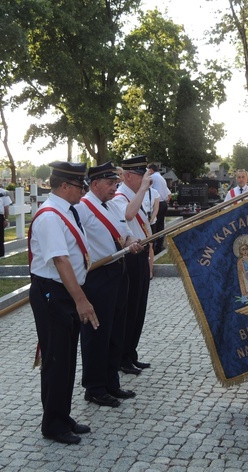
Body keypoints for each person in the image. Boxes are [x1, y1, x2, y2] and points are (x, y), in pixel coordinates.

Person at [28, 161, 97, 445]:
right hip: (52, 293)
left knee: (67, 358)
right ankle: (53, 424)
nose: (82, 190)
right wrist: (82, 302)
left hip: (62, 292)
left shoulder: (64, 211)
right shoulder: (50, 217)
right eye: (80, 186)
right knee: (56, 360)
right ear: (65, 186)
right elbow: (60, 260)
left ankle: (62, 415)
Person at [76, 161, 143, 408]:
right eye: (110, 183)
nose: (115, 187)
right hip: (97, 275)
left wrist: (131, 241)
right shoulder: (83, 209)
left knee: (116, 329)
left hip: (119, 271)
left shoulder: (113, 206)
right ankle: (94, 387)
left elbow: (124, 232)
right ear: (94, 184)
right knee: (97, 332)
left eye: (116, 182)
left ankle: (111, 382)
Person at [112, 155, 153, 375]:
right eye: (140, 175)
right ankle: (122, 357)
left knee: (139, 309)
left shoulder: (137, 195)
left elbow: (144, 225)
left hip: (141, 255)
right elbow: (128, 214)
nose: (144, 179)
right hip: (129, 257)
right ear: (128, 176)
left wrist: (150, 257)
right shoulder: (120, 197)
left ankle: (131, 354)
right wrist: (142, 190)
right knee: (129, 310)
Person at [147, 164, 171, 253]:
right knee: (161, 226)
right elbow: (169, 194)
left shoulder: (152, 177)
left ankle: (154, 247)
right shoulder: (161, 178)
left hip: (157, 203)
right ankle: (159, 246)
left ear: (151, 170)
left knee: (155, 226)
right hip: (163, 202)